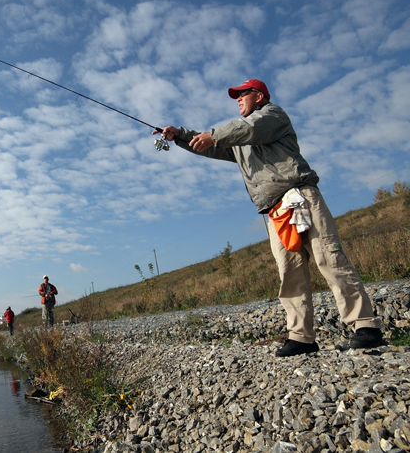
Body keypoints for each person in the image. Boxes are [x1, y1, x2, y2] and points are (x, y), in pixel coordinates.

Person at [153, 78, 384, 357]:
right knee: (290, 273)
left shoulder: (272, 115)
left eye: (243, 94)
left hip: (300, 197)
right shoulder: (240, 140)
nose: (238, 99)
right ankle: (301, 337)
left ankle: (365, 326)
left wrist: (212, 134)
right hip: (275, 210)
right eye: (236, 96)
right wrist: (179, 135)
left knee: (329, 258)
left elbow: (246, 129)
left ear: (259, 96)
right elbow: (214, 146)